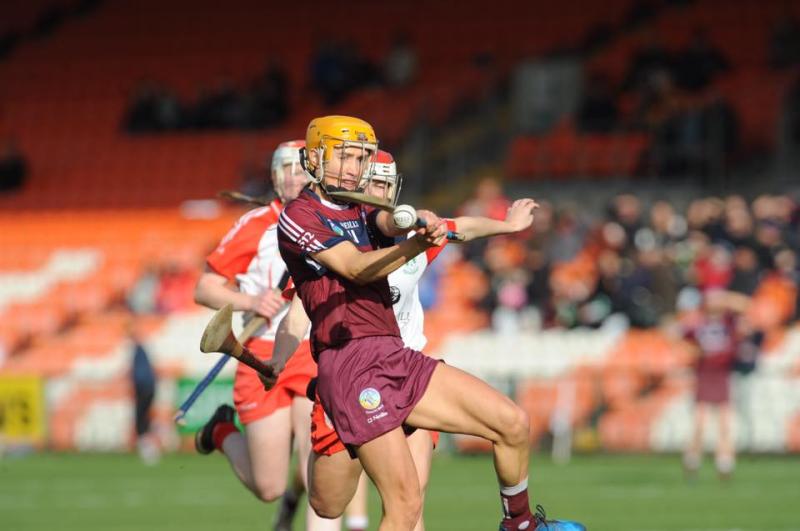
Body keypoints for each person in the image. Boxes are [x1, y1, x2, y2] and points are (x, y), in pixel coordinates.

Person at [274, 114, 584, 531]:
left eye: (361, 159)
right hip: (349, 365)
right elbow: (356, 268)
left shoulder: (365, 207)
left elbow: (390, 222)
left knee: (512, 423)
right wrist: (416, 241)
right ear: (315, 158)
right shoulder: (300, 215)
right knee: (371, 507)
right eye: (344, 157)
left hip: (396, 355)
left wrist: (428, 222)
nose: (353, 169)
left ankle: (520, 525)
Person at [193, 140, 338, 531]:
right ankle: (221, 431)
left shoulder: (332, 220)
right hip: (259, 355)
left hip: (312, 351)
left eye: (299, 168)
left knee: (319, 472)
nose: (292, 176)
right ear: (274, 176)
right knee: (268, 485)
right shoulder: (255, 225)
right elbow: (205, 288)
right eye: (284, 168)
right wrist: (251, 301)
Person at [681, 289, 746, 481]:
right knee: (700, 422)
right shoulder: (699, 323)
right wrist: (695, 353)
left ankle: (724, 463)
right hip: (705, 374)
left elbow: (747, 306)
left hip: (722, 374)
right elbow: (680, 337)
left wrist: (726, 298)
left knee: (725, 423)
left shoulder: (729, 321)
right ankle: (692, 460)